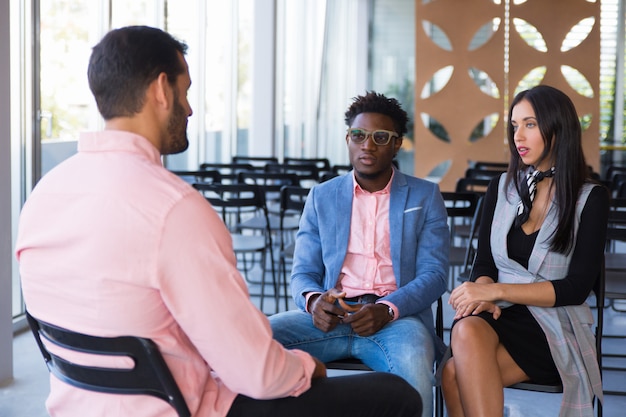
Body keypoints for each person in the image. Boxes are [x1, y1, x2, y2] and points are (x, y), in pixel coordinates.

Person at [15, 26, 423, 417]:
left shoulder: (43, 195)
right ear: (161, 89)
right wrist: (305, 368)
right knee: (394, 396)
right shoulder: (174, 208)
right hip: (182, 406)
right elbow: (259, 374)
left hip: (79, 405)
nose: (190, 108)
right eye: (186, 90)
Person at [269, 91, 450, 417]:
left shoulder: (425, 196)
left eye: (381, 137)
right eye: (359, 135)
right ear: (348, 139)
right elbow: (302, 272)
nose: (368, 145)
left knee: (414, 376)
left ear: (397, 144)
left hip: (397, 320)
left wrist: (387, 309)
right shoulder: (322, 196)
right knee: (254, 342)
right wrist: (314, 302)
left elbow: (435, 275)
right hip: (329, 319)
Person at [441, 85, 607, 417]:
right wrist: (484, 291)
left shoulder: (591, 198)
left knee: (452, 373)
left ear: (557, 128)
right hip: (502, 314)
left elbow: (577, 288)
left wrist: (498, 289)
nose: (519, 135)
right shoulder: (500, 188)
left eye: (530, 124)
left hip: (553, 325)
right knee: (467, 327)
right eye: (515, 126)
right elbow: (483, 263)